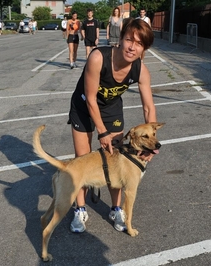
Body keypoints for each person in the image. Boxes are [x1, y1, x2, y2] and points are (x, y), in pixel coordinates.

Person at [68, 18, 156, 233]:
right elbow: (90, 98)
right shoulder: (98, 57)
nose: (132, 47)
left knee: (114, 160)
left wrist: (151, 142)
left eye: (139, 43)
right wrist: (102, 132)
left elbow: (148, 108)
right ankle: (80, 209)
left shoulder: (140, 70)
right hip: (83, 106)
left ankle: (116, 208)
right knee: (82, 162)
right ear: (120, 39)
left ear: (144, 49)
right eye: (129, 40)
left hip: (111, 109)